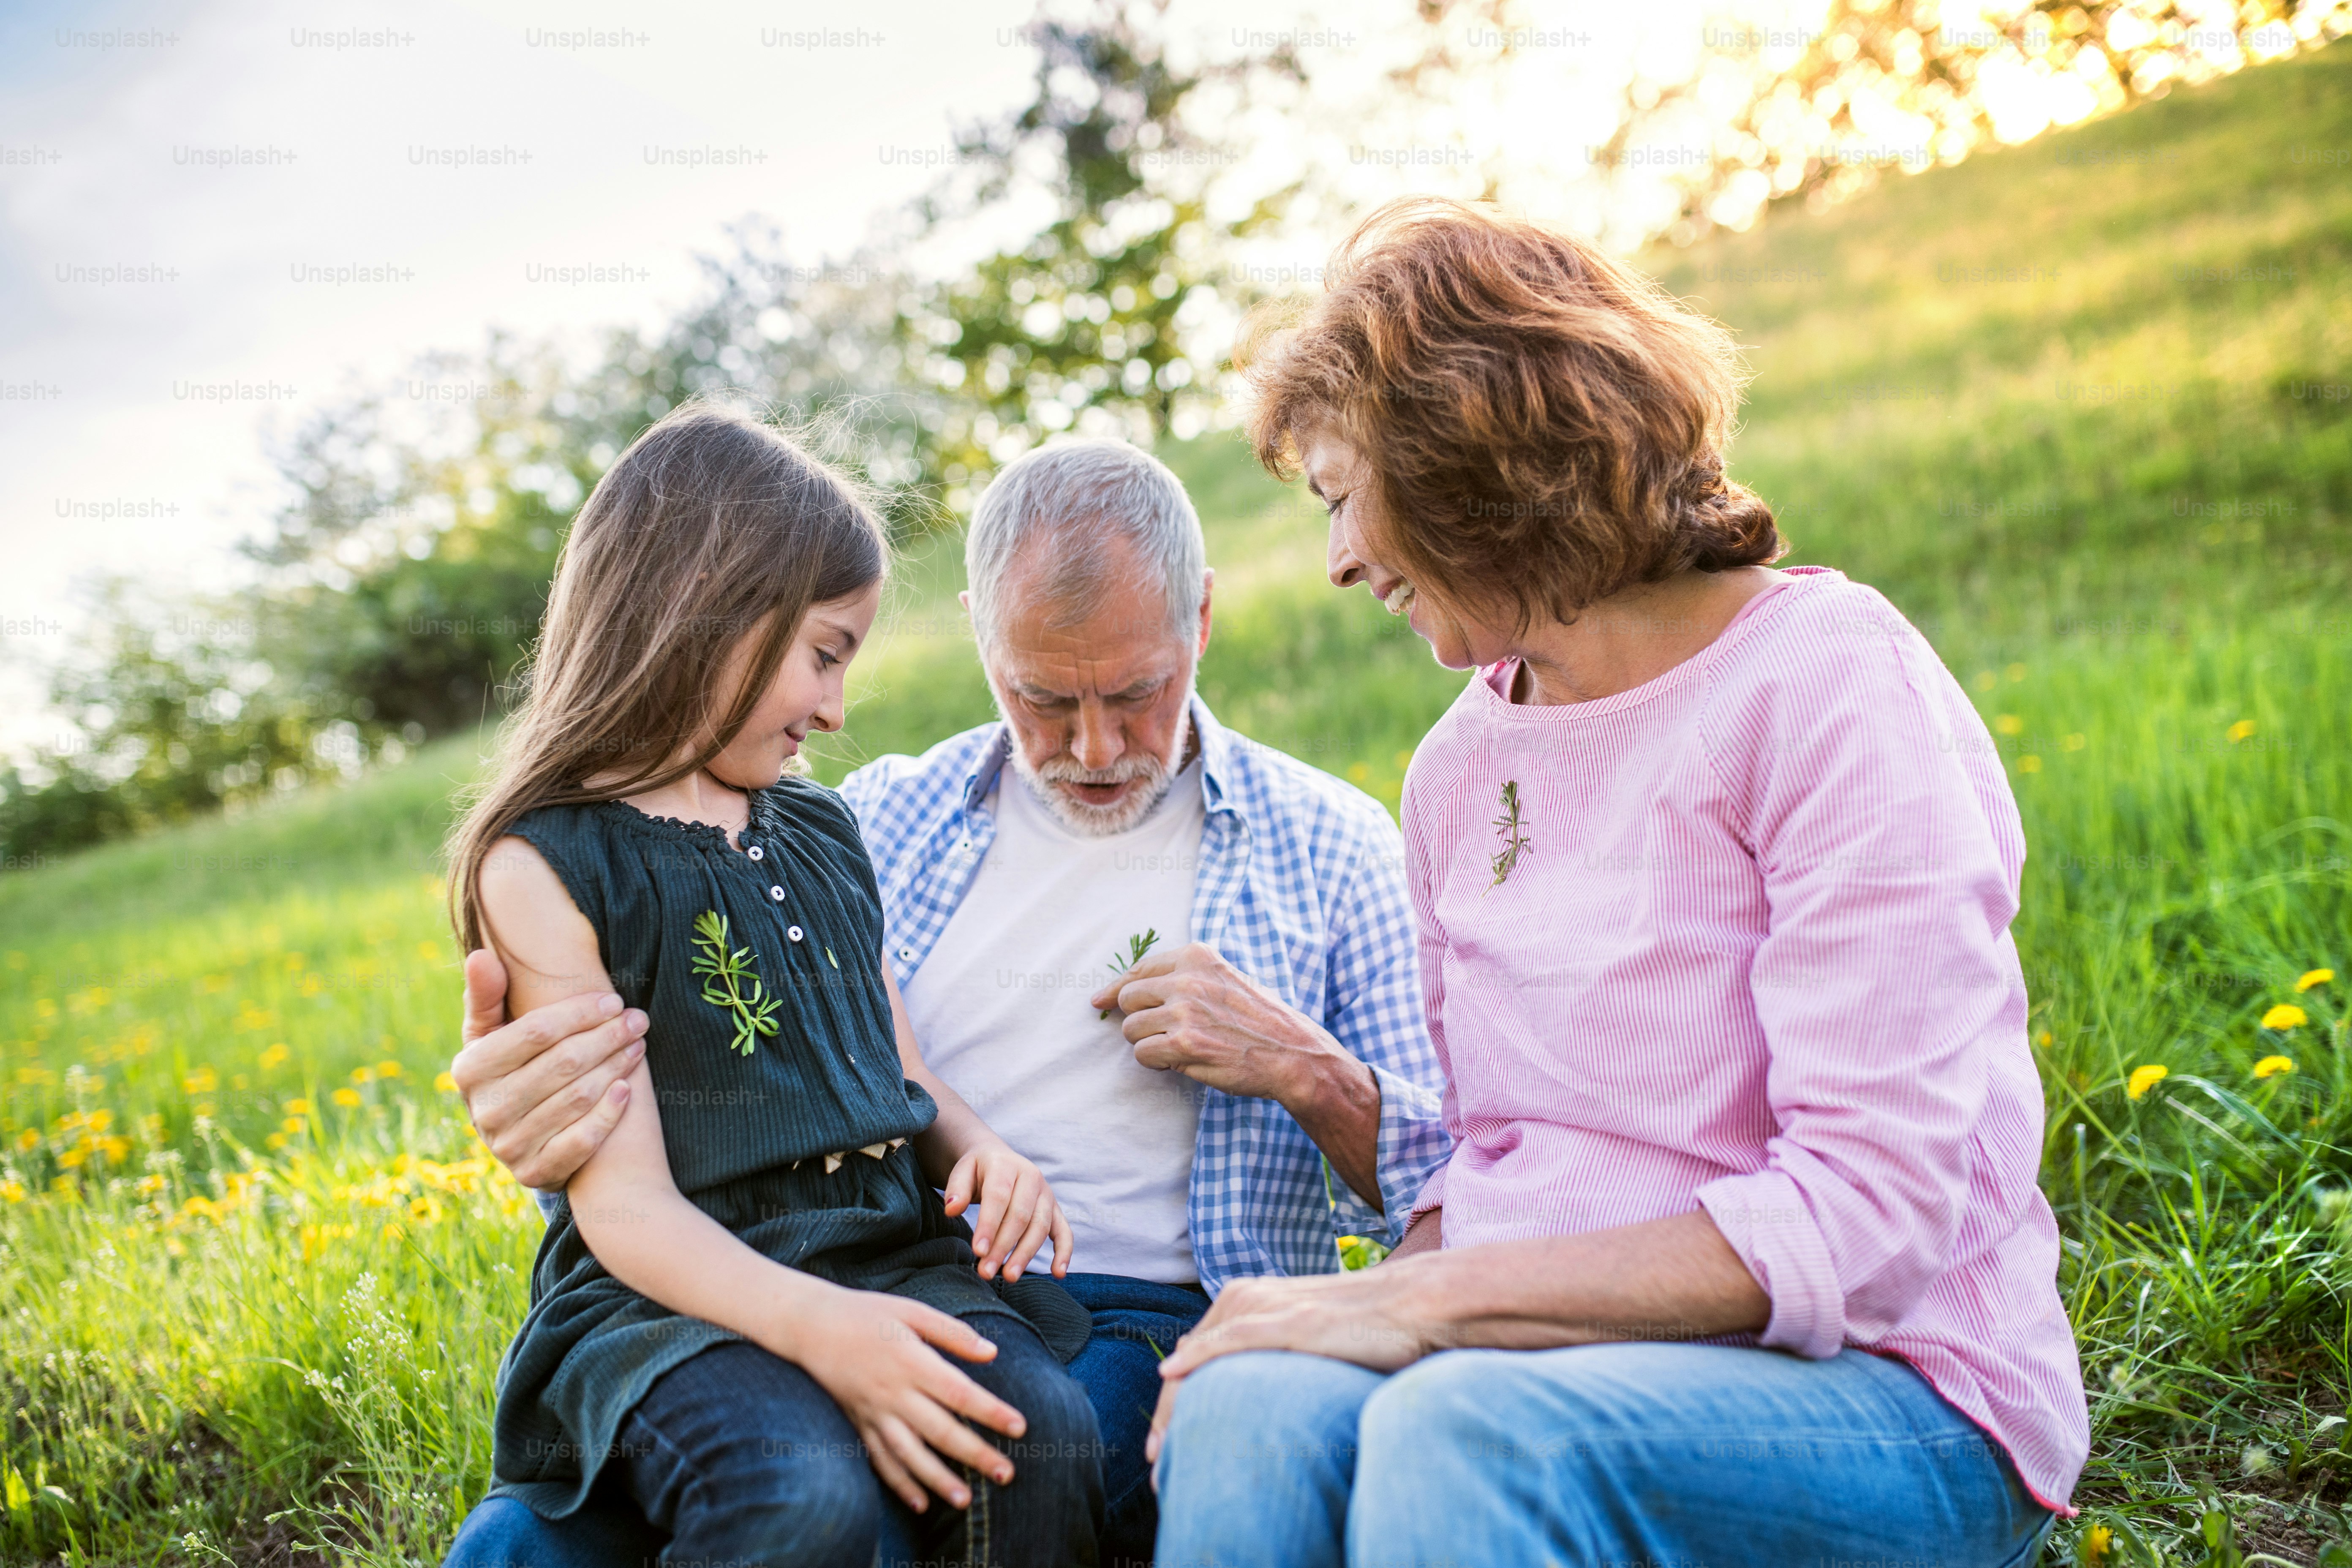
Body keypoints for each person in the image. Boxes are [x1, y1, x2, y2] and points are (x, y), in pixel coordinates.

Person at [1145, 197, 2088, 1568]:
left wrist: (1431, 1310)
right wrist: (1363, 1304)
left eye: (1345, 496)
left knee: (1467, 1429)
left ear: (1474, 458)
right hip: (1525, 1355)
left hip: (1891, 1392)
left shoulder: (1824, 684)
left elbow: (1871, 1219)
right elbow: (1497, 1161)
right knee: (1252, 1409)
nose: (1340, 558)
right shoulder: (1458, 769)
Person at [445, 436, 1452, 1566]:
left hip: (1129, 1306)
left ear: (1201, 621)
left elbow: (1447, 1195)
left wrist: (1300, 1066)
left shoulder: (1332, 845)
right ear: (979, 635)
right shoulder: (870, 818)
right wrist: (540, 1105)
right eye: (1040, 697)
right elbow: (690, 1084)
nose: (1094, 746)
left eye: (1136, 694)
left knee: (879, 1499)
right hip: (868, 1269)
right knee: (524, 1548)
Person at [441, 401, 1101, 1568]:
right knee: (797, 1490)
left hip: (883, 1251)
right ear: (706, 616)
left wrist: (979, 1148)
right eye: (825, 653)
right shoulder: (544, 863)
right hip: (673, 1305)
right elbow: (626, 1207)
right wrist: (820, 1330)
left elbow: (892, 1069)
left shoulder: (819, 827)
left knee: (1040, 1433)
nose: (838, 709)